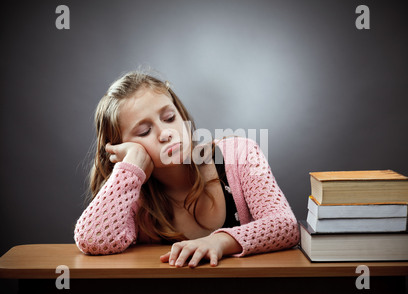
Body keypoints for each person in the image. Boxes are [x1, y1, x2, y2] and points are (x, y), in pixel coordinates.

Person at [74, 71, 299, 268]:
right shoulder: (130, 190)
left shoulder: (241, 154)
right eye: (144, 132)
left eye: (169, 118)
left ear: (181, 114)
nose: (165, 133)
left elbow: (286, 226)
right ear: (121, 147)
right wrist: (130, 168)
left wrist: (219, 241)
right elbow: (92, 240)